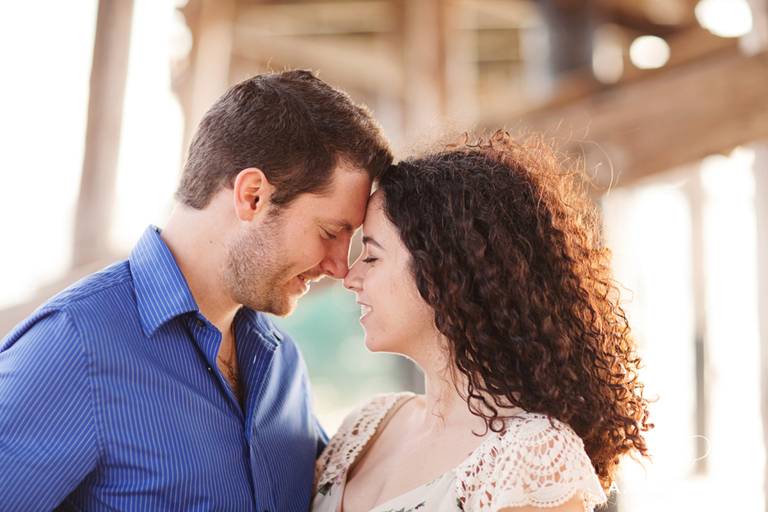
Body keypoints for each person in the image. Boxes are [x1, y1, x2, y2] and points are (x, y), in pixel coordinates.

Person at [0, 70, 392, 511]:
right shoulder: (72, 347)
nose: (340, 267)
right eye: (330, 231)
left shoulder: (281, 364)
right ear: (253, 196)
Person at [312, 131, 652, 512]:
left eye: (371, 257)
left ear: (445, 271)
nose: (349, 277)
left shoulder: (530, 456)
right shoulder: (368, 425)